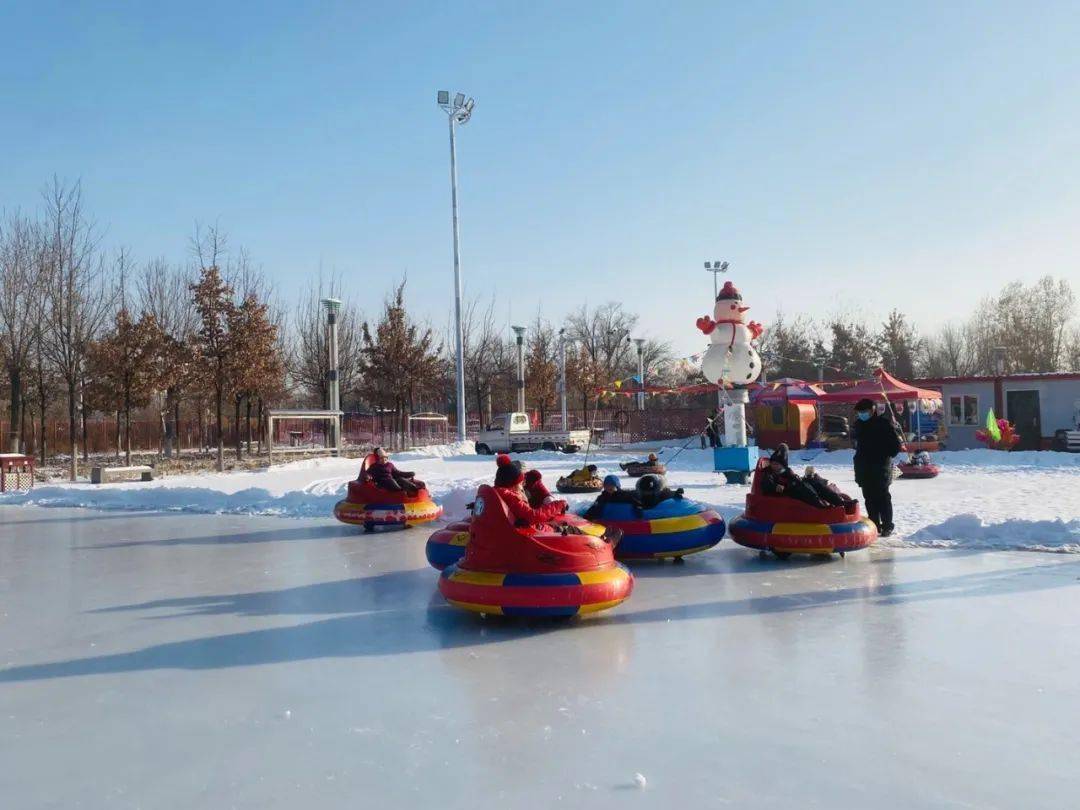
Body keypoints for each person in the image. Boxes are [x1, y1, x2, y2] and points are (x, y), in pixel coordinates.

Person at [852, 398, 903, 536]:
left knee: (882, 497)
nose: (861, 414)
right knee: (869, 497)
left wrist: (882, 454)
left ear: (872, 410)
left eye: (864, 411)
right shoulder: (858, 425)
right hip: (864, 467)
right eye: (860, 412)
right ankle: (874, 524)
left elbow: (895, 446)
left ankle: (887, 525)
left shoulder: (883, 424)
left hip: (880, 467)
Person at [760, 444, 852, 508]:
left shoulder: (786, 471)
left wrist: (798, 479)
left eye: (777, 464)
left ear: (782, 465)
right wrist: (776, 486)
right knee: (803, 487)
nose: (774, 466)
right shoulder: (769, 473)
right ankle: (820, 505)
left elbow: (794, 478)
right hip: (786, 493)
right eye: (773, 463)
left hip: (793, 489)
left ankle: (839, 502)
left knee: (815, 483)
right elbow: (766, 484)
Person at [493, 454, 569, 528]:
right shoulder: (510, 496)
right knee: (568, 529)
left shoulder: (496, 493)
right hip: (534, 529)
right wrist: (559, 505)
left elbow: (545, 495)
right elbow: (533, 516)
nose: (522, 485)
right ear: (513, 484)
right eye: (520, 483)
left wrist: (550, 501)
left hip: (536, 519)